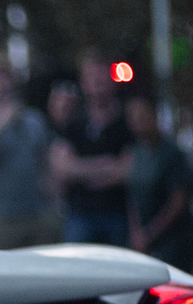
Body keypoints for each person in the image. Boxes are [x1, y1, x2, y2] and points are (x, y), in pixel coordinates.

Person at [48, 59, 132, 246]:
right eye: (91, 77)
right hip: (80, 215)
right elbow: (62, 169)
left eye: (101, 76)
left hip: (118, 215)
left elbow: (127, 171)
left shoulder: (126, 120)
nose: (97, 83)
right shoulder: (74, 121)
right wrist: (105, 165)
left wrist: (80, 170)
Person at [0, 72, 58, 250]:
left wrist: (54, 207)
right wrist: (2, 121)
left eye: (6, 80)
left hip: (36, 216)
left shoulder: (34, 120)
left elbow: (46, 165)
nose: (2, 87)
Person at [124, 92, 193, 270]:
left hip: (173, 241)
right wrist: (136, 234)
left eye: (142, 115)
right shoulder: (136, 153)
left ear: (154, 114)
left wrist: (150, 233)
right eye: (133, 116)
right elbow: (132, 196)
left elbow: (178, 201)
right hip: (144, 241)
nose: (138, 120)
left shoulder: (171, 153)